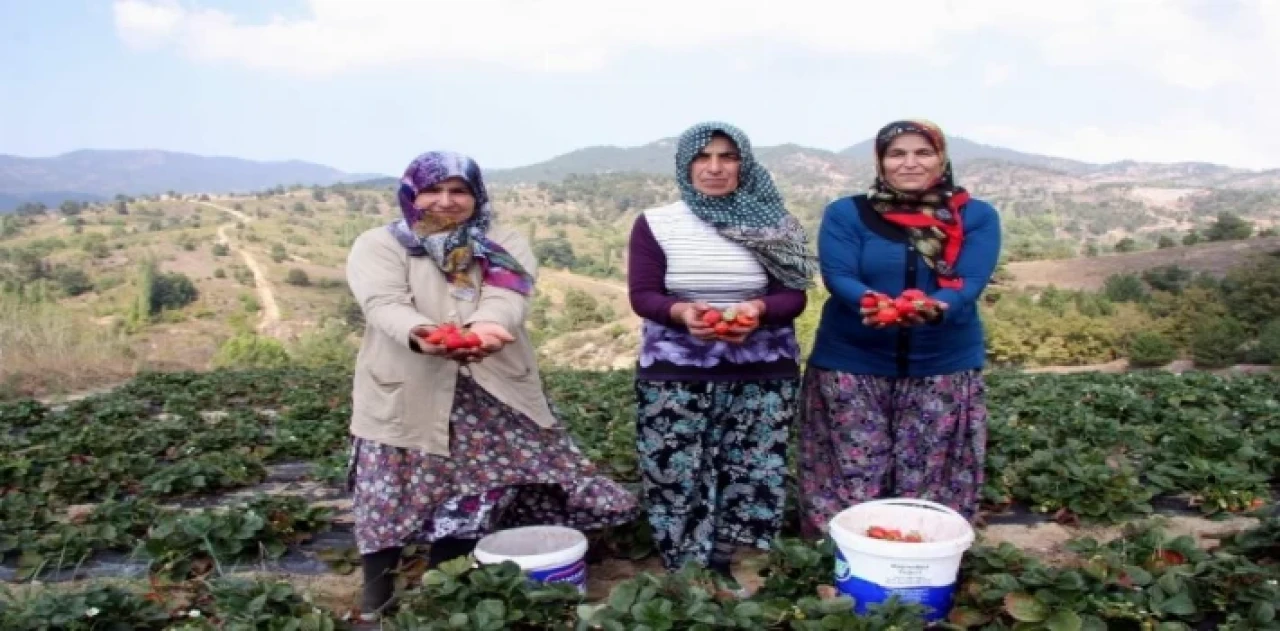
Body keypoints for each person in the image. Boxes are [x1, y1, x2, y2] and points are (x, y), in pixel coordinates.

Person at [345, 151, 637, 618]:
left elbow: (507, 296)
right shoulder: (380, 244)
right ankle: (376, 597)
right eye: (432, 190)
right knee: (390, 493)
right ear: (411, 194)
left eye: (459, 190)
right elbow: (383, 303)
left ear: (476, 195)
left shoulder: (503, 241)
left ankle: (445, 586)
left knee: (476, 493)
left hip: (493, 389)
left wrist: (484, 330)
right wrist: (425, 334)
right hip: (406, 391)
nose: (446, 201)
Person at [627, 122, 815, 582]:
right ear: (685, 164)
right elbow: (643, 295)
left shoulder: (775, 223)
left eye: (727, 156)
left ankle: (737, 562)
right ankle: (687, 568)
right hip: (676, 367)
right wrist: (682, 312)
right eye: (703, 157)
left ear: (744, 164)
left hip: (763, 367)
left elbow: (794, 295)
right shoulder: (656, 223)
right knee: (676, 467)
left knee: (753, 465)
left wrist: (757, 310)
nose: (715, 167)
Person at [797, 119, 1001, 538]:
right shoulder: (847, 213)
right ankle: (842, 560)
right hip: (852, 362)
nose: (910, 163)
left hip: (943, 363)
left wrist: (936, 307)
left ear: (941, 158)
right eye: (897, 153)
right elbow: (839, 276)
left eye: (923, 152)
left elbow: (969, 281)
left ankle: (921, 560)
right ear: (880, 161)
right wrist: (874, 304)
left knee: (931, 480)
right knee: (851, 474)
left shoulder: (975, 216)